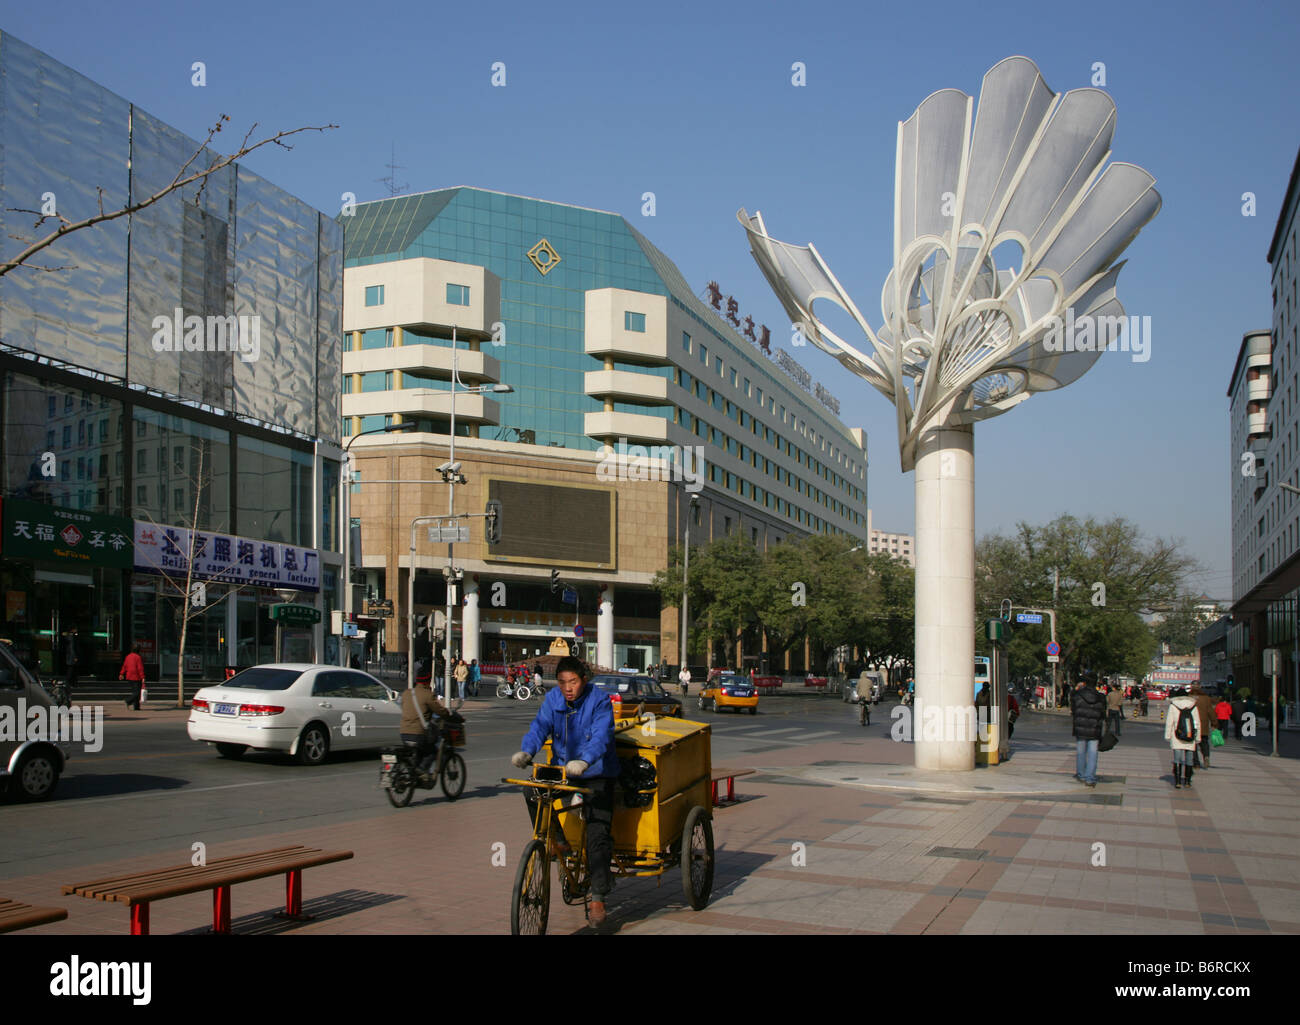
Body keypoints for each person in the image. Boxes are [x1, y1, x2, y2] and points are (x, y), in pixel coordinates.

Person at [511, 656, 618, 928]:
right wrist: (527, 750)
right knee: (531, 792)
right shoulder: (553, 700)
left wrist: (585, 760)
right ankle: (558, 841)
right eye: (562, 682)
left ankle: (598, 897)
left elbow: (602, 735)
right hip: (562, 770)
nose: (567, 688)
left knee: (597, 835)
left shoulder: (600, 701)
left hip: (596, 772)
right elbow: (539, 727)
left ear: (584, 680)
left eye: (572, 682)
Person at [400, 664, 450, 782]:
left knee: (419, 751)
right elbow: (439, 710)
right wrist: (448, 714)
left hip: (403, 733)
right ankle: (422, 770)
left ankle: (415, 774)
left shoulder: (407, 693)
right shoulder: (428, 695)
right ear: (428, 681)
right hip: (418, 734)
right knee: (432, 751)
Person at [1070, 676, 1105, 787]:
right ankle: (1090, 777)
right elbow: (1103, 714)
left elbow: (1073, 710)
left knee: (1081, 752)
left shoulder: (1077, 695)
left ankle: (1081, 774)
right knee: (1093, 753)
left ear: (1084, 683)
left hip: (1080, 726)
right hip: (1095, 729)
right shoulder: (1101, 697)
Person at [1165, 686, 1201, 789]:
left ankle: (1177, 781)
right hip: (1190, 736)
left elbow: (1169, 722)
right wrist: (1197, 737)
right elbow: (1197, 723)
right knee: (1189, 759)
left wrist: (1168, 735)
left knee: (1177, 759)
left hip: (1177, 735)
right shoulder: (1193, 706)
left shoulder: (1173, 706)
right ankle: (1188, 781)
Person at [1190, 685, 1215, 768]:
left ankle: (1196, 762)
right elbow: (1211, 712)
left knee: (1193, 744)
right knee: (1204, 742)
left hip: (1192, 724)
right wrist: (1214, 723)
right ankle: (1206, 756)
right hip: (1203, 724)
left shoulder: (1189, 698)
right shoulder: (1206, 699)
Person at [119, 645, 146, 710]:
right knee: (137, 692)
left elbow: (124, 666)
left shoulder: (128, 656)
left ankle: (136, 707)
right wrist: (143, 677)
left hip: (129, 676)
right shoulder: (138, 657)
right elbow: (140, 668)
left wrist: (121, 673)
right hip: (136, 677)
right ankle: (128, 701)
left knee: (135, 691)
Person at [63, 628, 81, 698]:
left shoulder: (68, 637)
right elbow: (72, 648)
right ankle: (72, 683)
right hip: (72, 657)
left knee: (71, 670)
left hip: (70, 656)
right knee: (72, 670)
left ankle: (71, 683)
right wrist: (75, 657)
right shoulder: (71, 638)